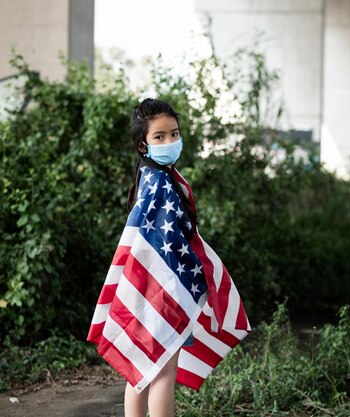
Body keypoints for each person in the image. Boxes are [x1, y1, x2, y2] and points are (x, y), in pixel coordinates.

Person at [87, 98, 251, 417]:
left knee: (141, 374)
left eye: (174, 134)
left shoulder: (153, 176)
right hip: (163, 291)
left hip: (146, 289)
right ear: (142, 145)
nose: (170, 142)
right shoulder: (161, 182)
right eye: (159, 137)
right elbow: (170, 245)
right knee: (163, 373)